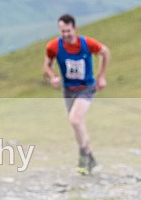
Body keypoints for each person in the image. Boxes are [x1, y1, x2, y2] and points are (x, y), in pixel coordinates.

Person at [43, 14, 110, 175]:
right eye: (62, 31)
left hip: (86, 87)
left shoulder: (86, 44)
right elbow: (47, 65)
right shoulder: (53, 46)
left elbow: (105, 52)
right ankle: (90, 158)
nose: (66, 34)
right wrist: (53, 76)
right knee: (77, 124)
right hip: (68, 90)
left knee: (75, 119)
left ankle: (82, 156)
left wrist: (101, 76)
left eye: (68, 31)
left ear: (75, 28)